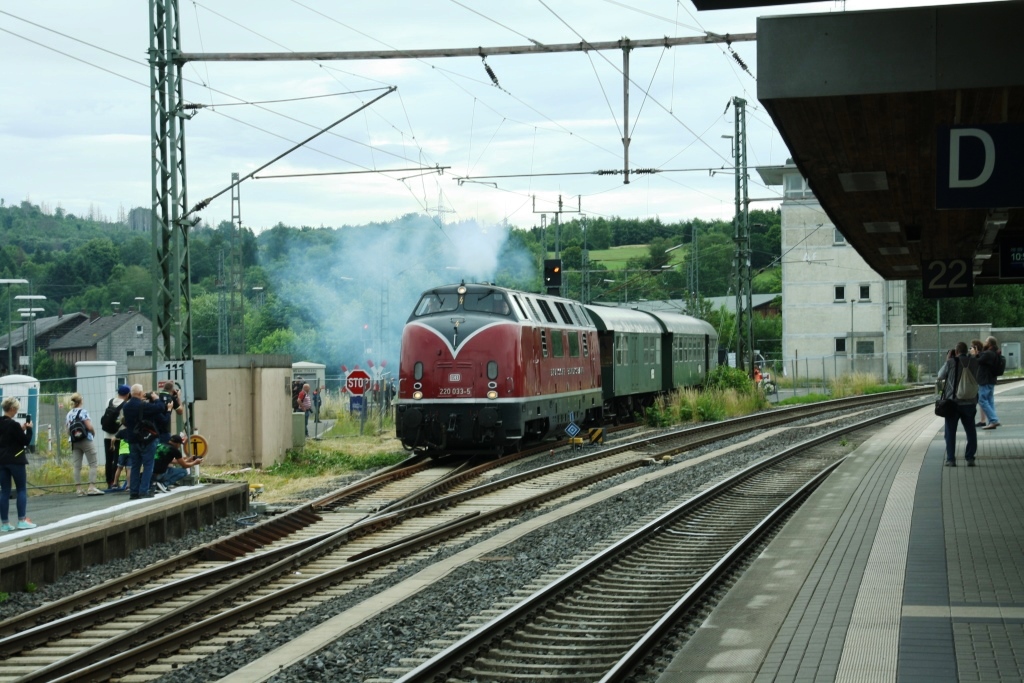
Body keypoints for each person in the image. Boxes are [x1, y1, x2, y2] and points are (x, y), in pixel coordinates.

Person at [122, 384, 172, 500]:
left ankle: (134, 492)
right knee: (148, 465)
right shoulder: (143, 406)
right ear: (140, 393)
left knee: (135, 466)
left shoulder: (126, 406)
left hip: (132, 439)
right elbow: (160, 408)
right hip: (146, 439)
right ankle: (144, 490)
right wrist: (156, 398)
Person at [937, 342, 980, 467]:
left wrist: (948, 360)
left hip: (953, 403)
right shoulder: (974, 362)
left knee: (950, 432)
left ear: (956, 351)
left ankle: (951, 459)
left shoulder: (951, 362)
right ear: (966, 351)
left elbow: (940, 376)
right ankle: (970, 458)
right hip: (970, 402)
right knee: (971, 431)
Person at [0, 397, 35, 531]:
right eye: (16, 409)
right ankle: (21, 520)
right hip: (15, 459)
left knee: (4, 491)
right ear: (12, 408)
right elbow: (25, 441)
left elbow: (6, 437)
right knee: (21, 489)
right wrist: (29, 429)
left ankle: (5, 523)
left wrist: (20, 429)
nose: (16, 412)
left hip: (1, 460)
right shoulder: (13, 424)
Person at [66, 393, 104, 496]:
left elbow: (68, 430)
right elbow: (88, 426)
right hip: (85, 439)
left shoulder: (69, 414)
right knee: (93, 463)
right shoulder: (83, 412)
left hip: (74, 441)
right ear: (81, 401)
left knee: (77, 466)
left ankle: (78, 489)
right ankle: (91, 487)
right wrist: (93, 433)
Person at [102, 385, 131, 491]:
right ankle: (115, 482)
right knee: (116, 459)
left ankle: (109, 482)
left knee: (108, 459)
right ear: (127, 394)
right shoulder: (126, 405)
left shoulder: (109, 401)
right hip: (118, 435)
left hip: (107, 435)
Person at [977, 336, 1001, 430]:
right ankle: (992, 421)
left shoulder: (988, 353)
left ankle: (994, 420)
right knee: (990, 401)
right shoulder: (994, 353)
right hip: (991, 380)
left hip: (985, 380)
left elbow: (978, 361)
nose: (984, 342)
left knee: (982, 400)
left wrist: (975, 354)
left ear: (989, 344)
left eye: (986, 341)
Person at [969, 340, 986, 427]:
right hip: (977, 381)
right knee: (980, 401)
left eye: (972, 347)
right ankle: (983, 420)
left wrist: (974, 355)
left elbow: (975, 364)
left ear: (976, 348)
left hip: (979, 382)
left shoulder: (981, 356)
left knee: (981, 401)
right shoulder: (980, 355)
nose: (970, 349)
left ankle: (984, 420)